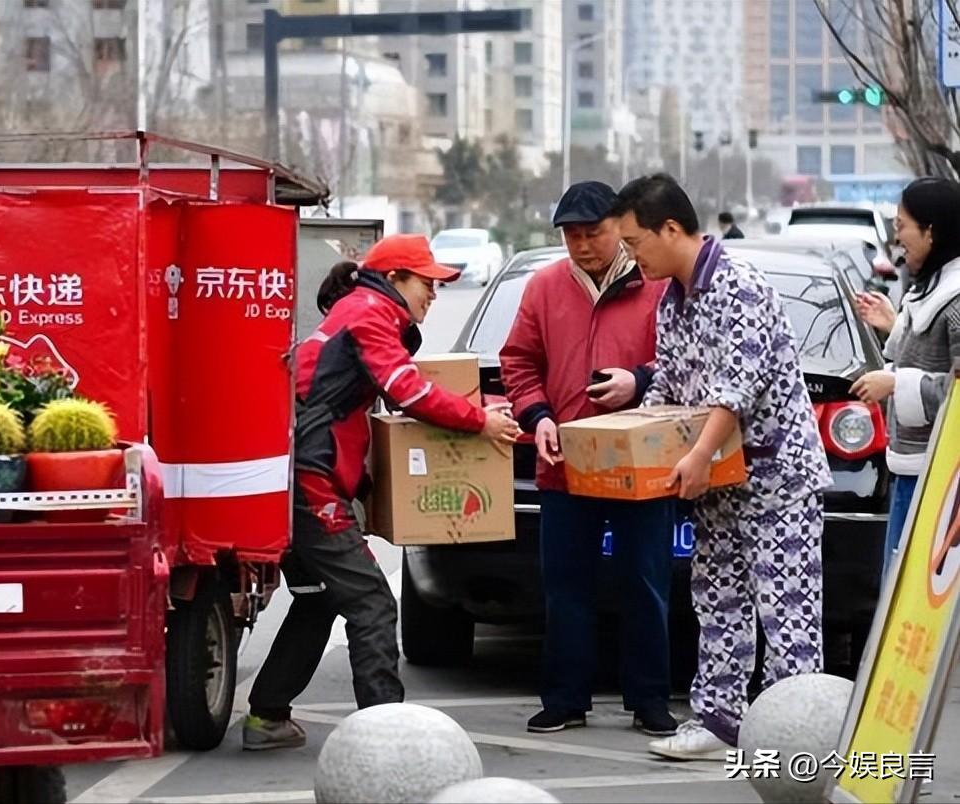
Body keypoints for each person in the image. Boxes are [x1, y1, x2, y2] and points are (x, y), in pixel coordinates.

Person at [243, 233, 521, 750]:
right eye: (426, 283)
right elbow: (408, 390)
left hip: (302, 477)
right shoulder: (369, 313)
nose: (433, 294)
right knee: (371, 603)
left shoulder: (361, 311)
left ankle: (267, 716)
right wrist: (479, 420)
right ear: (393, 279)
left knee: (320, 598)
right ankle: (386, 737)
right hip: (311, 482)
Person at [611, 174, 831, 761]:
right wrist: (636, 439)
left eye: (634, 242)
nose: (631, 256)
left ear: (671, 229)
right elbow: (670, 385)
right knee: (717, 599)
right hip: (717, 482)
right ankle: (720, 721)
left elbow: (738, 389)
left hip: (777, 480)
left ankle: (796, 733)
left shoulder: (740, 287)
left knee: (786, 609)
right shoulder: (672, 301)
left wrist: (698, 454)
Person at [500, 181, 679, 738]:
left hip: (642, 465)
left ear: (619, 229)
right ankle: (564, 698)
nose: (582, 245)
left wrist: (638, 381)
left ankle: (649, 699)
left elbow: (684, 360)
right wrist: (538, 416)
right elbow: (518, 362)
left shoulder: (657, 285)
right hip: (565, 463)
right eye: (571, 235)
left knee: (645, 583)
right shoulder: (544, 287)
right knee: (566, 586)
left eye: (593, 233)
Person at [851, 177, 960, 578]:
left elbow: (955, 389)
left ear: (931, 232)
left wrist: (896, 384)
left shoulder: (955, 300)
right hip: (911, 470)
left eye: (902, 226)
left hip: (939, 482)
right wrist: (893, 325)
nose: (897, 239)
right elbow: (928, 361)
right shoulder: (926, 290)